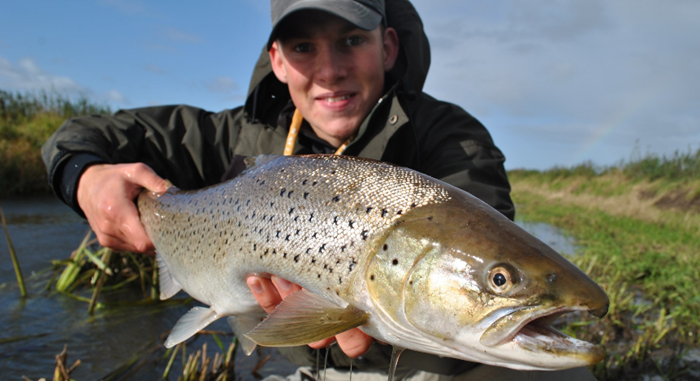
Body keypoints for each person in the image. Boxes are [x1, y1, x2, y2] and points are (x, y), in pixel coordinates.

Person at [42, 0, 595, 380]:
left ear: (388, 46)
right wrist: (84, 177)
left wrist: (498, 279)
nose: (329, 70)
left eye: (352, 40)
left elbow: (486, 221)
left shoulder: (450, 137)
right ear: (277, 60)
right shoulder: (231, 133)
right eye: (304, 47)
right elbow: (81, 137)